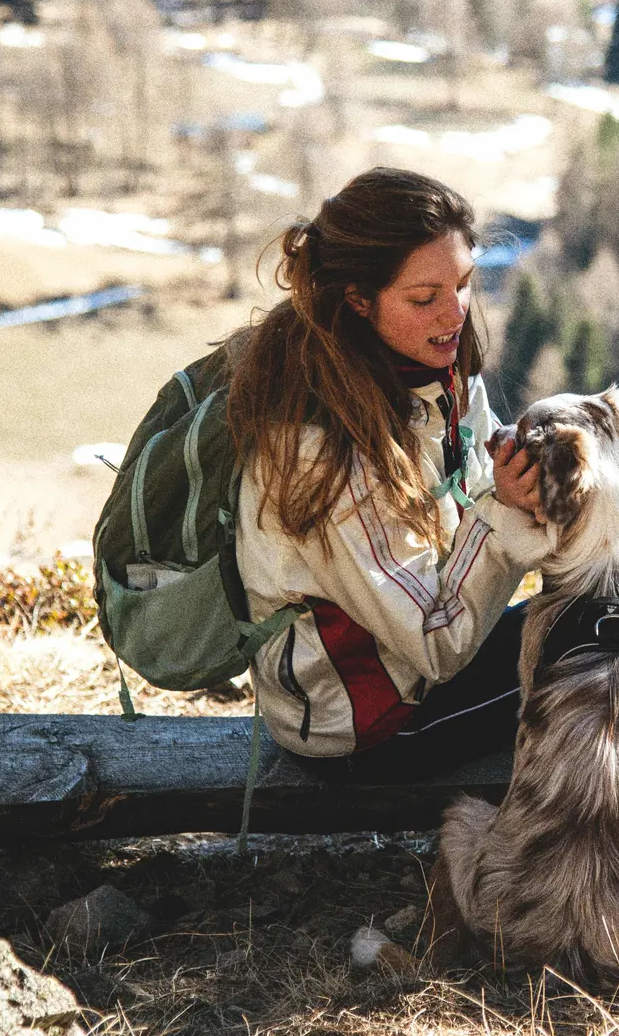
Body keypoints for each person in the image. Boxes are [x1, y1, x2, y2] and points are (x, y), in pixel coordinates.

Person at [226, 167, 549, 782]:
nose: (455, 313)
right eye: (424, 299)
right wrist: (507, 512)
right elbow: (437, 645)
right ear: (358, 300)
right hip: (363, 723)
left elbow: (481, 487)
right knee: (614, 636)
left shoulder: (434, 372)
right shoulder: (320, 445)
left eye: (464, 284)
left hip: (420, 658)